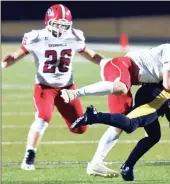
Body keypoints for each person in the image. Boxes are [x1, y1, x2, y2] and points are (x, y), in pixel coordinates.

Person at [60, 42, 170, 177]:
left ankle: (96, 163)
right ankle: (77, 94)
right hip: (123, 67)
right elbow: (168, 85)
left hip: (122, 69)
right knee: (121, 88)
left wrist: (81, 48)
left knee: (120, 122)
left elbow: (99, 59)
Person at [1, 4, 105, 171]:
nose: (60, 29)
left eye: (64, 25)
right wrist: (3, 63)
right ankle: (29, 156)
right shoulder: (36, 37)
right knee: (43, 118)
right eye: (57, 24)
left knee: (80, 129)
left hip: (68, 88)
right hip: (45, 88)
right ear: (48, 21)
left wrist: (105, 63)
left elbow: (90, 54)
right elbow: (15, 55)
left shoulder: (74, 36)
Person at [70, 78, 170, 181]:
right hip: (159, 95)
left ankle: (127, 167)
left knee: (154, 136)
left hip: (159, 95)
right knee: (130, 124)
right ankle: (93, 116)